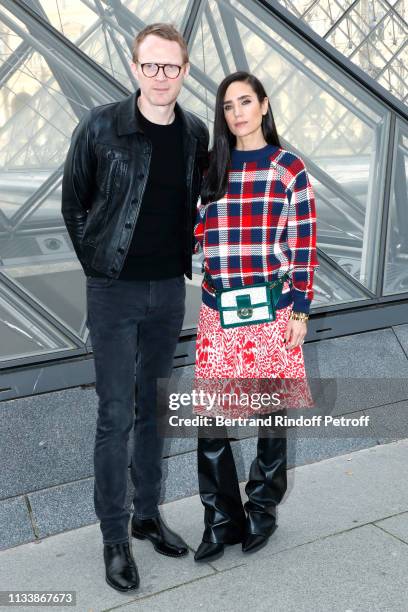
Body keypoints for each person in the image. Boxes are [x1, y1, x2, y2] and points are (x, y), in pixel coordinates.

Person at [61, 23, 209, 592]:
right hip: (114, 292)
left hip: (168, 290)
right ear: (134, 67)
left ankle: (147, 515)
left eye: (171, 67)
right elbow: (74, 202)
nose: (161, 77)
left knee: (154, 408)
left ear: (185, 71)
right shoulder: (101, 125)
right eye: (151, 66)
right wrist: (100, 267)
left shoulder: (194, 133)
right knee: (115, 413)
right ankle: (115, 538)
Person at [193, 71, 319, 562]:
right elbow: (195, 233)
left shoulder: (289, 168)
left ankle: (261, 509)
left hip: (271, 309)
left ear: (264, 105)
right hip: (217, 309)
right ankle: (221, 518)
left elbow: (305, 243)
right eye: (228, 105)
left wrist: (301, 311)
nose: (237, 112)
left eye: (246, 101)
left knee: (269, 415)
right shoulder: (210, 169)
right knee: (211, 419)